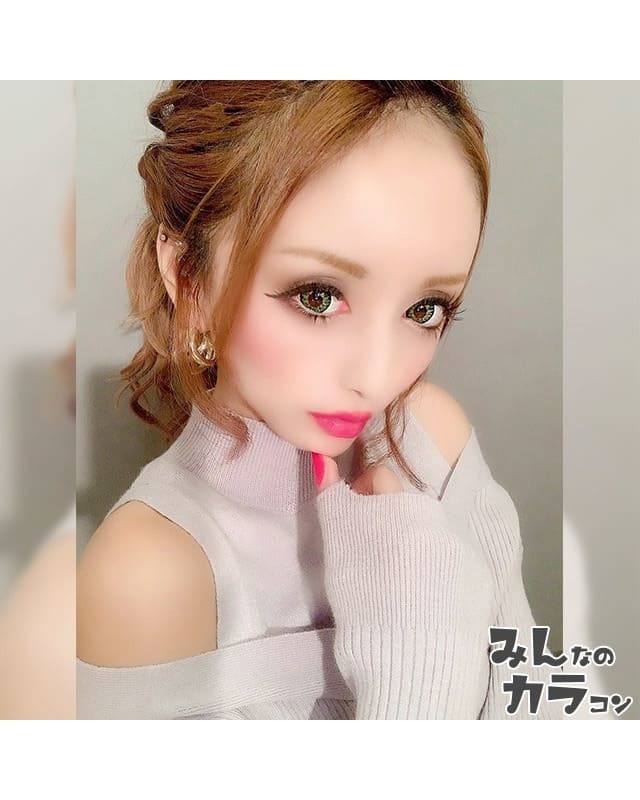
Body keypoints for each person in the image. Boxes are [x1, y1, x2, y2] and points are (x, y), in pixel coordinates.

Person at [76, 80, 563, 720]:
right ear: (188, 278)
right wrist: (418, 668)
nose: (377, 378)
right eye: (317, 297)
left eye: (425, 309)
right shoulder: (150, 576)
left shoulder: (428, 438)